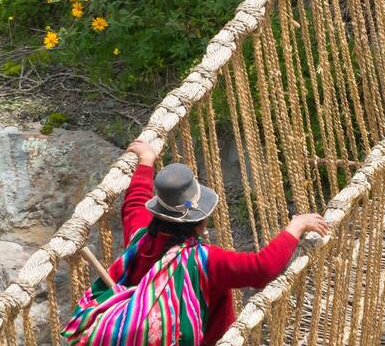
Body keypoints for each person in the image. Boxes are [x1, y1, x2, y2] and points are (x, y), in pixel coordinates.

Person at [66, 140, 327, 346]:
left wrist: (145, 162)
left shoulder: (141, 237)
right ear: (199, 223)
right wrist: (296, 226)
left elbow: (134, 203)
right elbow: (263, 269)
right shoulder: (206, 261)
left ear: (158, 213)